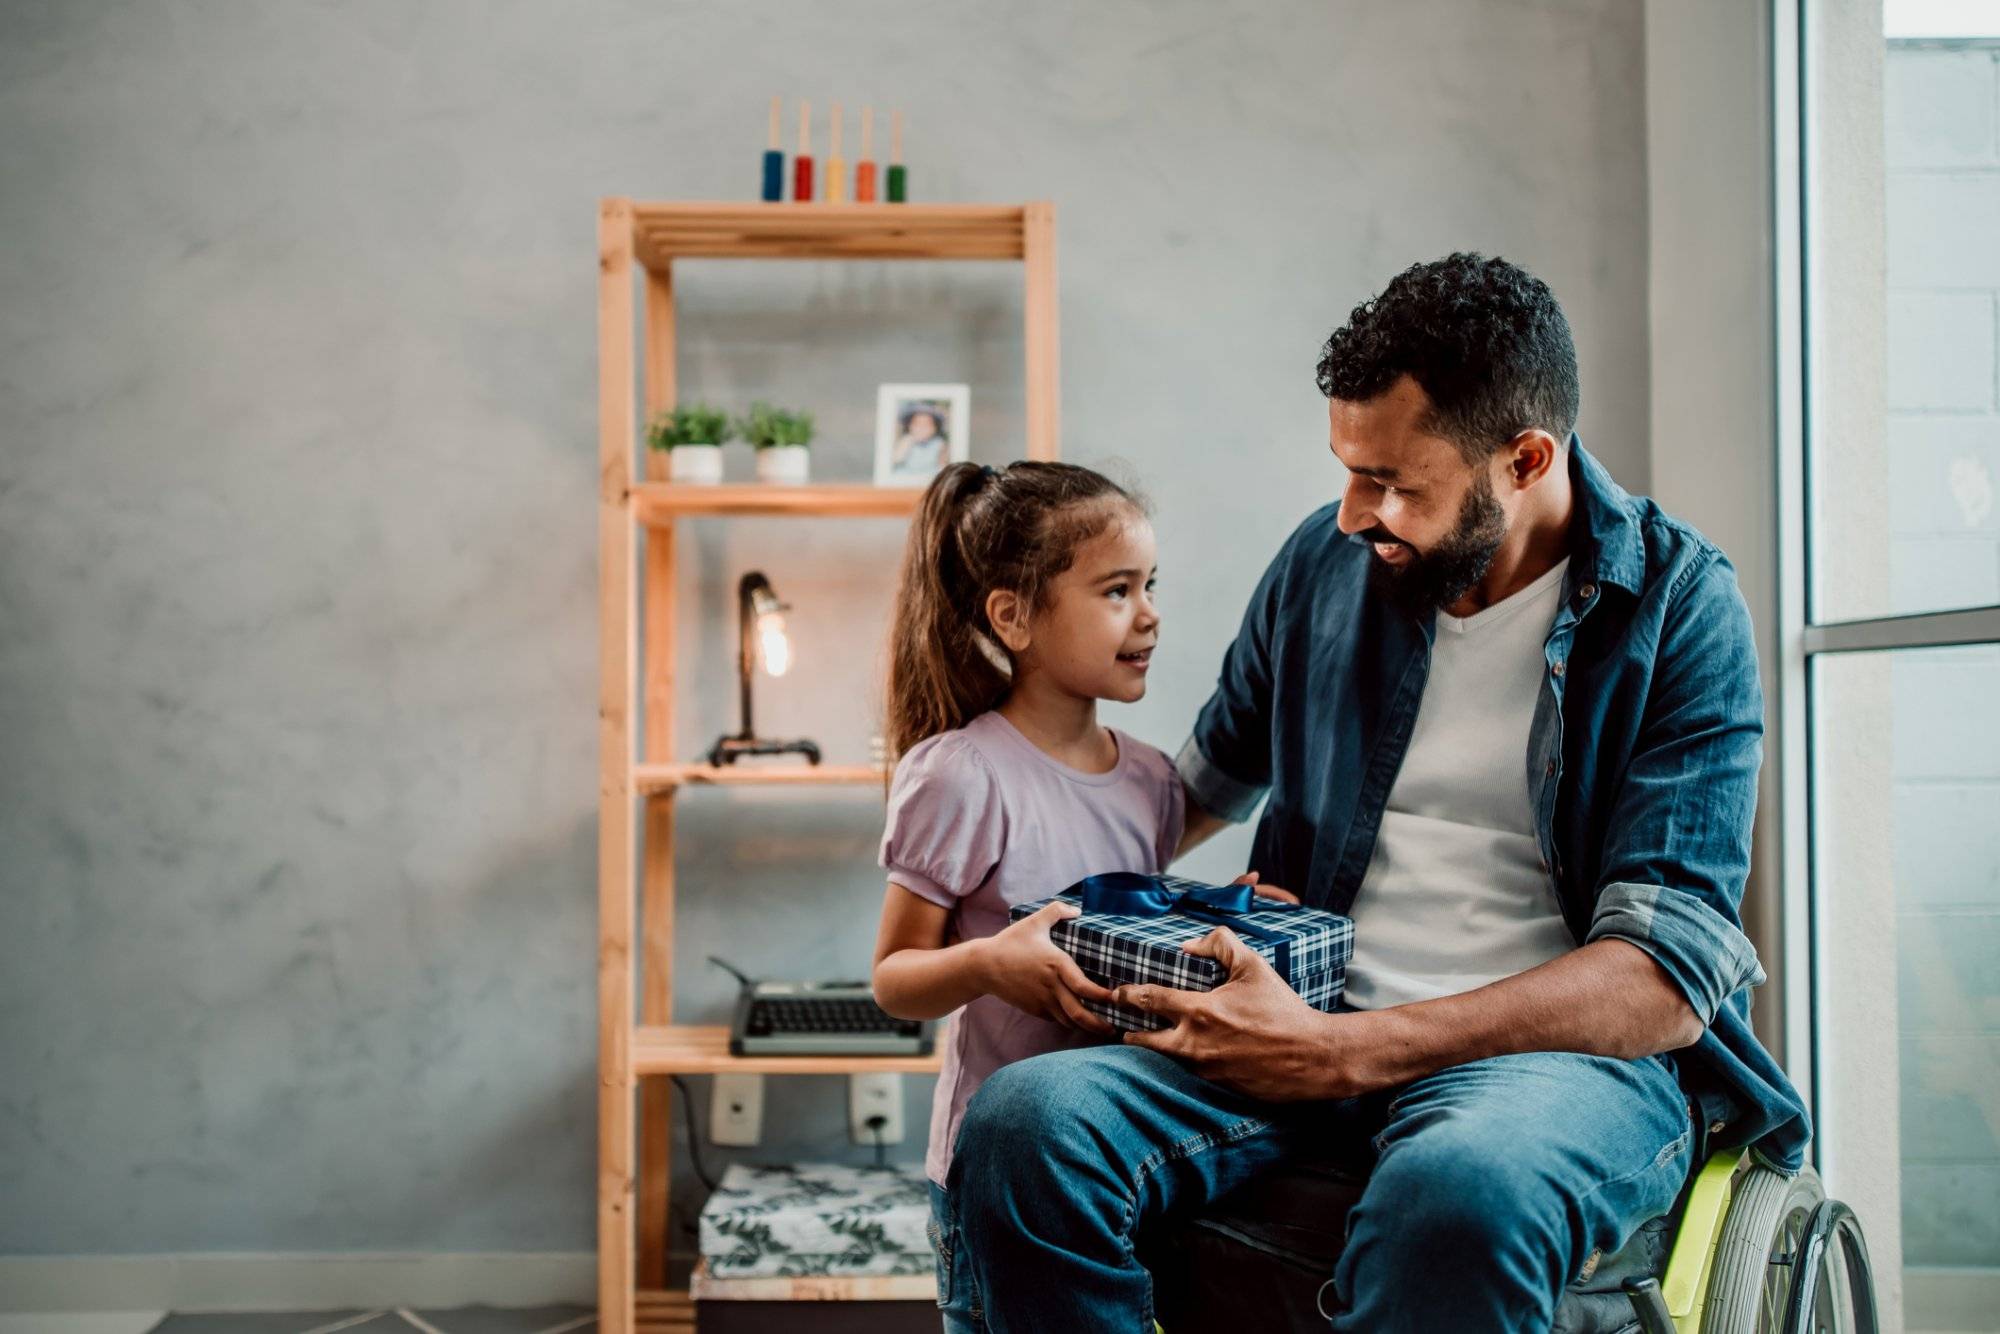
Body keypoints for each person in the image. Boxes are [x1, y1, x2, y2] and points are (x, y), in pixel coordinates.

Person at [943, 254, 1811, 1331]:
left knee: (1456, 1197)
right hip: (1297, 1014)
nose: (1355, 512)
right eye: (1348, 471)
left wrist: (1342, 1051)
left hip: (1542, 1063)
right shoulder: (1325, 560)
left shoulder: (1678, 609)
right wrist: (992, 860)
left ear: (1524, 458)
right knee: (1026, 1121)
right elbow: (1186, 790)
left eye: (1396, 483)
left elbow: (1657, 983)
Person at [869, 460, 1288, 1334]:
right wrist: (989, 963)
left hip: (1108, 1167)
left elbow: (1136, 911)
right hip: (994, 1185)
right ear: (1013, 617)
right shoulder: (962, 775)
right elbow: (895, 978)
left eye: (1151, 586)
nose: (1150, 614)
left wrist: (1226, 910)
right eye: (1116, 590)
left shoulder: (1148, 780)